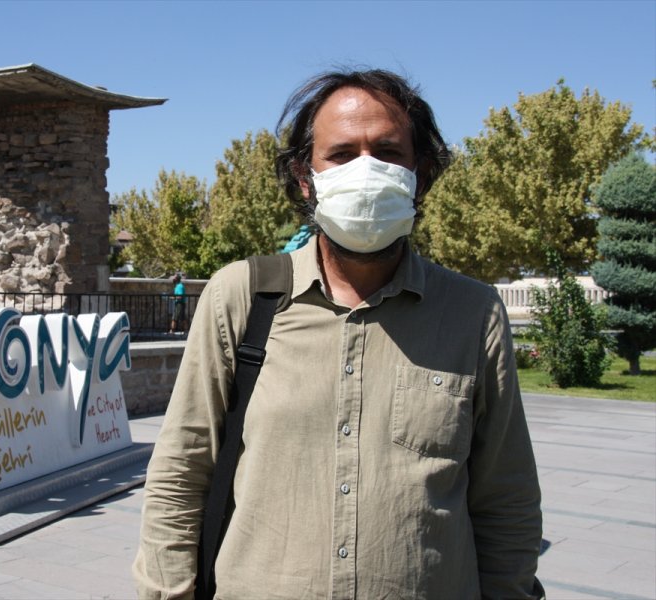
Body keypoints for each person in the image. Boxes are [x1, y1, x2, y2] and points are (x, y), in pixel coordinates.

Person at [134, 69, 543, 599]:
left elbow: (506, 497)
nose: (366, 171)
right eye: (342, 154)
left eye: (388, 153)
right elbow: (180, 472)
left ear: (420, 173)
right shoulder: (241, 297)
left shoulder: (472, 313)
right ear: (306, 177)